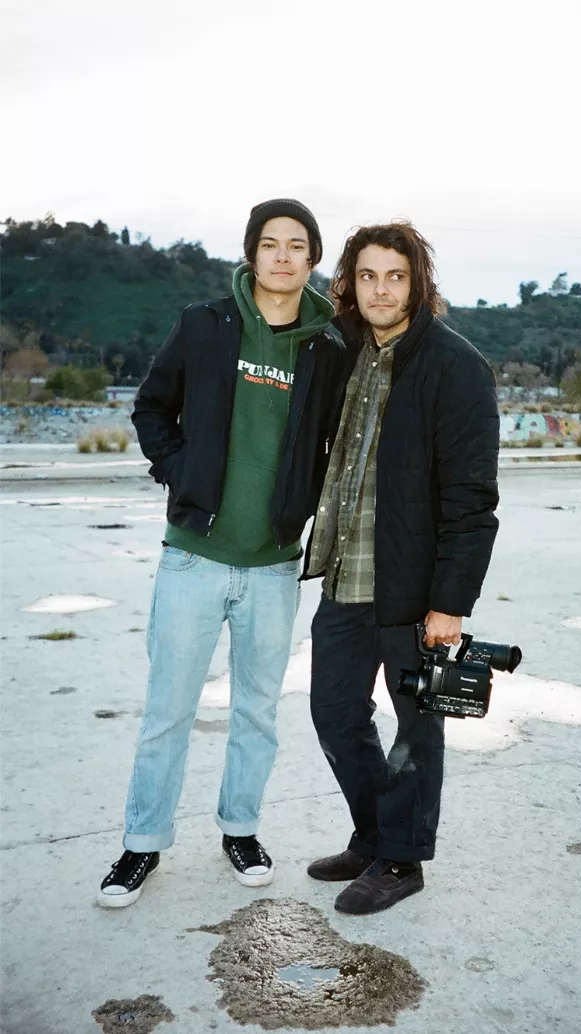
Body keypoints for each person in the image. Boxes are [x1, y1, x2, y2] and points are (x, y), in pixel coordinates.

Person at [97, 199, 345, 907]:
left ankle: (241, 829)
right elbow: (151, 407)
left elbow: (330, 444)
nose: (283, 256)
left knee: (257, 713)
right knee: (168, 710)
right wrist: (180, 470)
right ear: (250, 252)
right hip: (194, 558)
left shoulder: (326, 350)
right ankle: (141, 846)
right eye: (270, 244)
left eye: (298, 245)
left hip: (272, 566)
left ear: (312, 258)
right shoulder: (204, 326)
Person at [304, 221, 500, 915]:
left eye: (395, 275)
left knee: (416, 724)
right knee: (333, 711)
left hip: (412, 587)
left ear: (418, 281)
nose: (381, 289)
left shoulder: (455, 365)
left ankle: (402, 859)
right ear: (350, 283)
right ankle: (372, 834)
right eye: (367, 275)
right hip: (344, 574)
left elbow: (473, 498)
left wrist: (450, 603)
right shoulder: (346, 352)